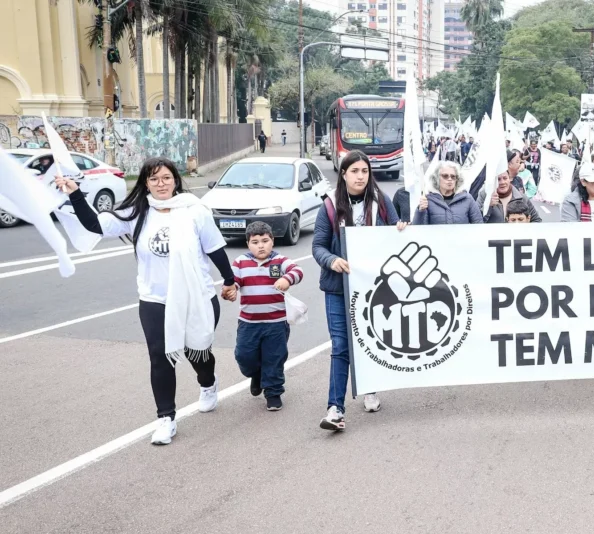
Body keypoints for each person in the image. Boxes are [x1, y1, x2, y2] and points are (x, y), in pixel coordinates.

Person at [57, 158, 236, 445]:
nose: (161, 184)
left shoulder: (195, 211)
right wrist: (75, 192)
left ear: (175, 180)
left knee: (195, 351)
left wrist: (229, 280)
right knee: (160, 357)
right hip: (155, 299)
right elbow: (93, 225)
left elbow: (214, 249)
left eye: (166, 178)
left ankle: (207, 383)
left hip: (197, 296)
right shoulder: (135, 212)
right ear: (145, 184)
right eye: (154, 179)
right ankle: (166, 418)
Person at [313, 150, 402, 432]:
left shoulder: (382, 202)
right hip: (338, 289)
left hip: (374, 290)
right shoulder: (329, 207)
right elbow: (318, 246)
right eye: (354, 171)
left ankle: (370, 388)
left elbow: (394, 239)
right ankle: (335, 408)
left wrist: (400, 228)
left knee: (370, 341)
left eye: (364, 171)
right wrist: (332, 260)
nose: (360, 176)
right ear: (343, 174)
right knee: (341, 346)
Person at [224, 221, 303, 411]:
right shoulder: (241, 262)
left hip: (276, 323)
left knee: (274, 357)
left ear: (272, 241)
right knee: (244, 356)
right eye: (255, 242)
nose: (261, 245)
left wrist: (286, 278)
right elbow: (232, 281)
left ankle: (273, 392)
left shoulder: (280, 261)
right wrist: (230, 290)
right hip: (248, 323)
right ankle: (256, 375)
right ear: (248, 244)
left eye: (265, 241)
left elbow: (298, 271)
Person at [415, 161, 483, 224]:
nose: (450, 179)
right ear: (436, 178)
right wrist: (421, 211)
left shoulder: (467, 198)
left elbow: (478, 225)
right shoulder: (427, 200)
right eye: (445, 176)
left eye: (453, 176)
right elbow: (419, 229)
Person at [477, 168, 542, 223]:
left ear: (510, 179)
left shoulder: (522, 197)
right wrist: (488, 206)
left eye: (505, 178)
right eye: (498, 179)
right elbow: (476, 222)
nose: (502, 182)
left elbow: (537, 220)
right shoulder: (484, 196)